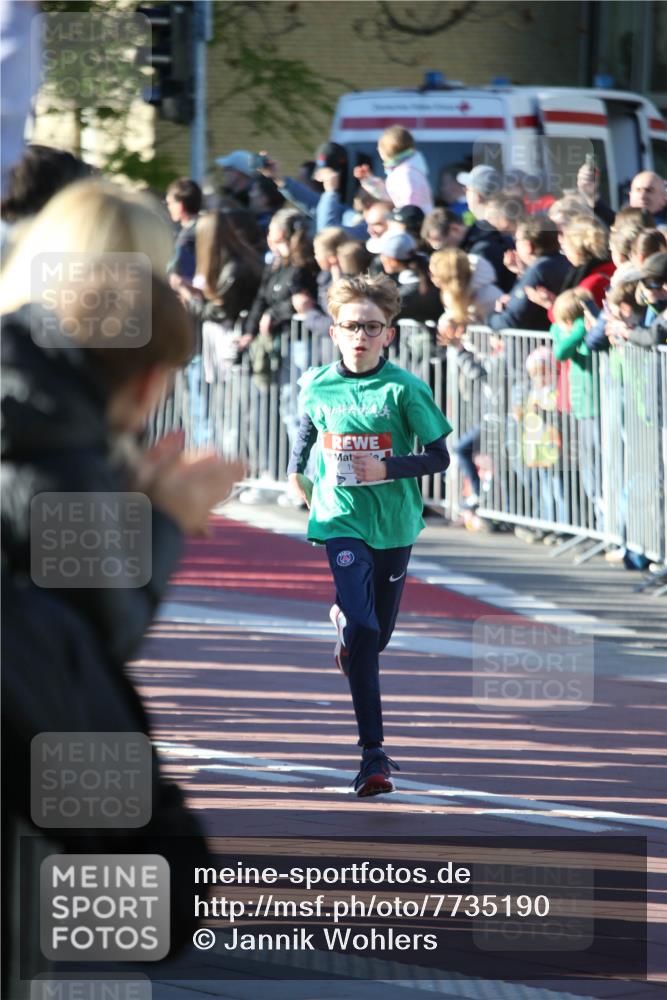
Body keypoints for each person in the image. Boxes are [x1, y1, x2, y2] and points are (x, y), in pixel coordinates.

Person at [287, 274, 451, 796]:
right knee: (363, 628)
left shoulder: (405, 388)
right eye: (352, 326)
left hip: (395, 523)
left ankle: (345, 621)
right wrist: (299, 476)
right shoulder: (317, 383)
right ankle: (372, 755)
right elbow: (307, 434)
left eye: (372, 327)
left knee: (377, 636)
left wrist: (389, 468)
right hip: (340, 519)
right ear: (334, 331)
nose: (361, 335)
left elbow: (438, 456)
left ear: (389, 335)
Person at [489, 214, 571, 331]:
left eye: (517, 240)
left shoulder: (539, 270)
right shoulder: (564, 262)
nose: (515, 245)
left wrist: (491, 318)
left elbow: (512, 320)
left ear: (528, 246)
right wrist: (522, 273)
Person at [354, 125, 434, 214]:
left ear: (385, 152)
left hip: (413, 224)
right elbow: (390, 194)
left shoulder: (406, 174)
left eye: (379, 148)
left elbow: (411, 211)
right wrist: (369, 180)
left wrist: (403, 222)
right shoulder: (405, 171)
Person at [376, 231, 442, 326]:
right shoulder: (430, 279)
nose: (381, 258)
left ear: (393, 261)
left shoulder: (406, 294)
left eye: (383, 255)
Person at [429, 247, 503, 325]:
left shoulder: (486, 295)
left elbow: (493, 328)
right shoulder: (449, 294)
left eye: (434, 274)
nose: (431, 278)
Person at [166, 176, 202, 283]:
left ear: (180, 206)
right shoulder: (208, 227)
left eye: (169, 203)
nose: (168, 207)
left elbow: (186, 276)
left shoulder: (187, 238)